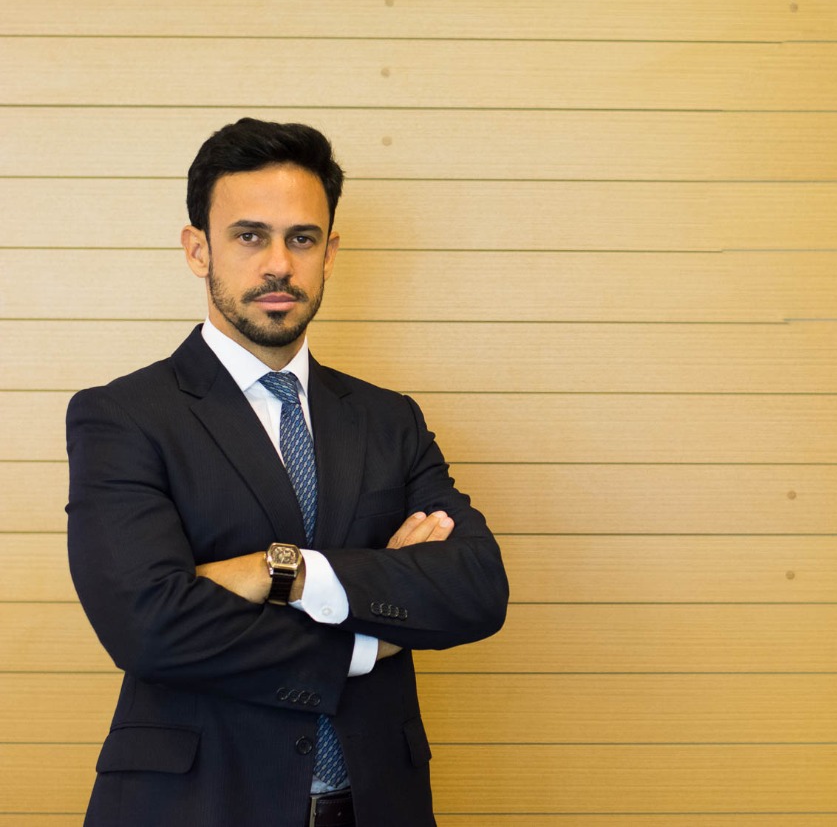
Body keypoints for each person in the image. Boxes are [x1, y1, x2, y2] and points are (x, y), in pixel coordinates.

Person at [65, 118, 509, 827]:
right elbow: (147, 626)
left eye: (302, 239)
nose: (278, 264)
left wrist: (291, 573)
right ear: (198, 249)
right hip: (198, 805)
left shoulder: (389, 419)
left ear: (329, 252)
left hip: (377, 804)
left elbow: (476, 587)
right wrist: (369, 634)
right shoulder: (122, 416)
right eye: (250, 236)